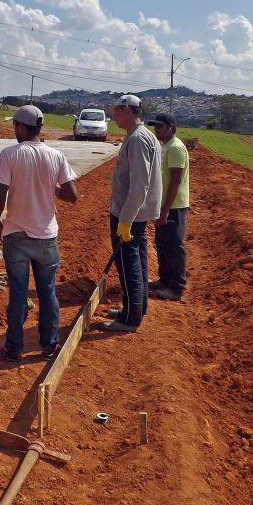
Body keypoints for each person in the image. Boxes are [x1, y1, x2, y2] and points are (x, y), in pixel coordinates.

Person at [0, 105, 79, 362]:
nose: (13, 130)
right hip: (47, 237)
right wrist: (51, 190)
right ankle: (49, 345)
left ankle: (13, 348)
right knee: (47, 291)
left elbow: (1, 192)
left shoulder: (10, 154)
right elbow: (72, 196)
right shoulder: (56, 155)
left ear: (21, 127)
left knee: (18, 293)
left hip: (16, 235)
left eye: (14, 126)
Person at [95, 94, 162, 333]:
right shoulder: (141, 136)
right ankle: (135, 308)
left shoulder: (137, 140)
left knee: (128, 265)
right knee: (138, 262)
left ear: (126, 110)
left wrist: (125, 220)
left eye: (116, 111)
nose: (114, 115)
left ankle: (130, 319)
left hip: (130, 214)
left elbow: (140, 185)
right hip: (136, 214)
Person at [148, 112, 189, 301]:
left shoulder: (176, 148)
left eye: (160, 127)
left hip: (174, 206)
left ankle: (177, 287)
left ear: (171, 127)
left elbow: (175, 181)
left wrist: (165, 210)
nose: (156, 130)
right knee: (162, 244)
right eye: (155, 126)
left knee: (173, 246)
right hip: (163, 204)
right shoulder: (165, 146)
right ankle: (164, 280)